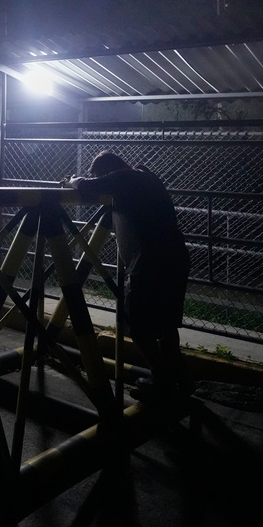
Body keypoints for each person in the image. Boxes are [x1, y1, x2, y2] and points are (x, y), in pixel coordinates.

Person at [67, 151, 192, 401]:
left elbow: (87, 187)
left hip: (148, 264)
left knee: (137, 326)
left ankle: (161, 380)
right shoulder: (145, 176)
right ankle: (180, 379)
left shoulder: (124, 178)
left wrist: (73, 180)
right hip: (174, 259)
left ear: (107, 172)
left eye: (100, 175)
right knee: (166, 325)